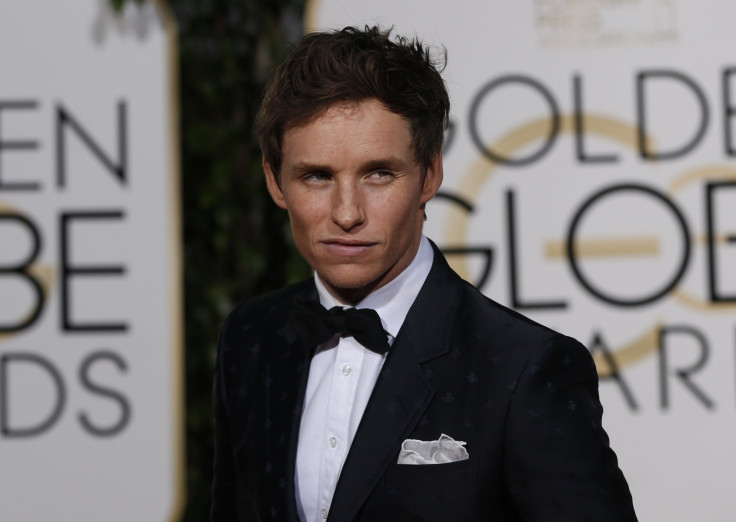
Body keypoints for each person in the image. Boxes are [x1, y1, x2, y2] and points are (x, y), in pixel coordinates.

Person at [211, 25, 637, 521]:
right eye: (317, 176)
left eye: (379, 173)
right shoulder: (251, 337)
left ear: (429, 175)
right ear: (274, 181)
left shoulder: (524, 369)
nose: (347, 213)